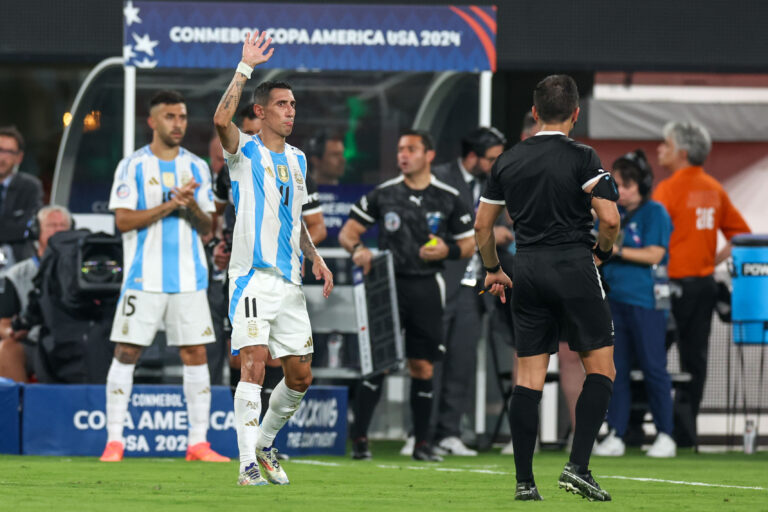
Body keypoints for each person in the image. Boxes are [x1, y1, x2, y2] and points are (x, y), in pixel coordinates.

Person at [475, 75, 619, 501]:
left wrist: (494, 269)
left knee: (529, 377)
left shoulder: (507, 160)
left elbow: (483, 225)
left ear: (534, 113)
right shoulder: (583, 156)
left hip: (528, 268)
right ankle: (577, 467)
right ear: (576, 113)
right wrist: (602, 254)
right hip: (574, 264)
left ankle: (524, 483)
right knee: (601, 369)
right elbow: (609, 219)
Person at [213, 31, 333, 487]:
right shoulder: (243, 152)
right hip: (251, 279)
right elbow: (221, 116)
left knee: (300, 376)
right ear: (261, 112)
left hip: (290, 283)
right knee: (255, 362)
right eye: (283, 104)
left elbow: (295, 219)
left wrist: (316, 258)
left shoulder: (300, 161)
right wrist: (245, 67)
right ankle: (245, 464)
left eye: (294, 105)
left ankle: (263, 443)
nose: (291, 112)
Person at [99, 90, 228, 464]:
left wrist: (188, 207)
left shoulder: (198, 168)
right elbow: (123, 220)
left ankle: (198, 443)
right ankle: (114, 441)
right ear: (152, 121)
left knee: (196, 353)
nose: (178, 124)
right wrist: (171, 203)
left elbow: (207, 225)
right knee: (126, 352)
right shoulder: (132, 166)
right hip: (143, 278)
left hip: (189, 278)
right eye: (170, 116)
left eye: (183, 116)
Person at [339, 129, 476, 462]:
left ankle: (421, 444)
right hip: (386, 286)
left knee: (423, 366)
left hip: (427, 287)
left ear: (428, 155)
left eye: (411, 149)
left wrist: (448, 248)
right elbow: (348, 232)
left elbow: (470, 243)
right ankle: (360, 441)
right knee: (378, 364)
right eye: (400, 149)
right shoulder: (384, 194)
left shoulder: (448, 196)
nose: (403, 154)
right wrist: (359, 251)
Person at [652, 121, 750, 448]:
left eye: (665, 144)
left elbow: (653, 237)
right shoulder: (715, 189)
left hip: (668, 287)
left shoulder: (667, 190)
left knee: (651, 355)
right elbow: (742, 235)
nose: (659, 149)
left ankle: (652, 428)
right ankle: (686, 432)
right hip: (704, 285)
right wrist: (712, 259)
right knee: (695, 361)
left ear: (681, 152)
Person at [592, 150, 676, 458]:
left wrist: (612, 251)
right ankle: (616, 433)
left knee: (654, 368)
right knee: (617, 370)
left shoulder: (656, 213)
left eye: (627, 185)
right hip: (614, 301)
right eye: (617, 184)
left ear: (642, 184)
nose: (621, 191)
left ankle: (666, 434)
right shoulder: (613, 215)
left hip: (648, 303)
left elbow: (654, 254)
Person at [429, 126, 506, 456]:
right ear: (473, 157)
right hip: (441, 280)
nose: (497, 164)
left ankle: (449, 431)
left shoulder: (497, 182)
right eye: (492, 159)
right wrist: (484, 236)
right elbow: (432, 231)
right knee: (431, 358)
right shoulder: (438, 178)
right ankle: (421, 431)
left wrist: (501, 233)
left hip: (475, 285)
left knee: (461, 360)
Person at [0, 205, 72, 382]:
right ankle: (16, 405)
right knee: (7, 348)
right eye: (51, 225)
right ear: (36, 231)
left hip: (75, 341)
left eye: (63, 226)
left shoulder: (83, 270)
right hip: (34, 342)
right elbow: (3, 322)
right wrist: (12, 331)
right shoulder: (16, 275)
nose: (57, 231)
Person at [0, 126, 43, 270]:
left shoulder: (30, 186)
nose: (2, 157)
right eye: (0, 149)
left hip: (16, 258)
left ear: (19, 157)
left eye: (9, 152)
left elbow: (28, 227)